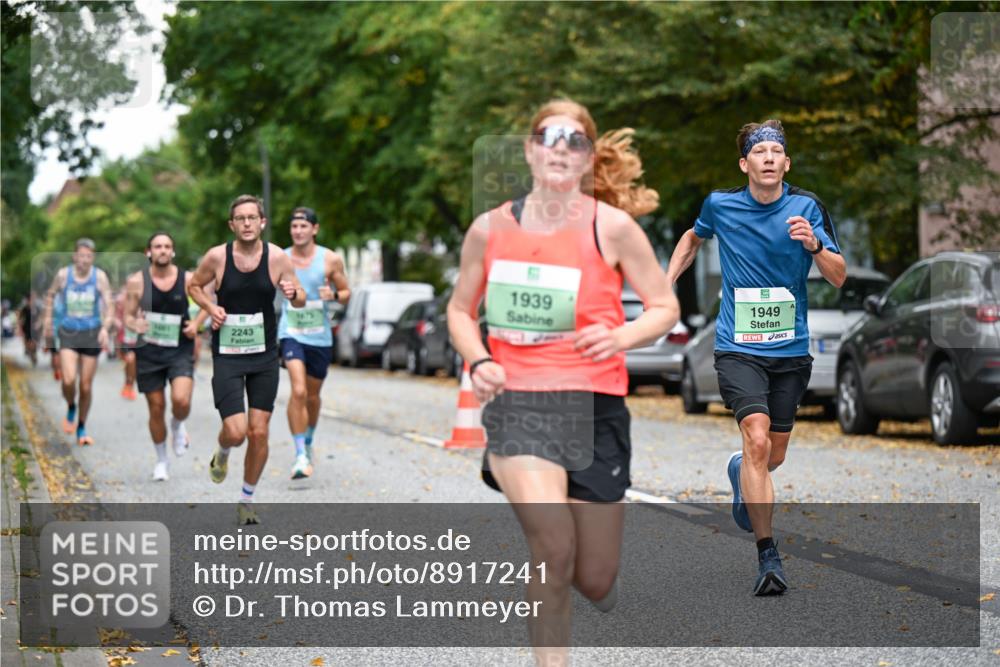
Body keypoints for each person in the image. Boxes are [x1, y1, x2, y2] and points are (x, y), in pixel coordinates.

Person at [447, 99, 679, 662]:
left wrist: (621, 337)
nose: (560, 147)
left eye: (575, 140)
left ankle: (594, 579)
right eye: (549, 137)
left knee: (594, 577)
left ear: (587, 159)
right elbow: (459, 311)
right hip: (519, 405)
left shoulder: (613, 227)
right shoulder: (489, 229)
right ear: (529, 150)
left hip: (595, 405)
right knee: (553, 546)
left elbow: (664, 307)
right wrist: (480, 361)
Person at [665, 119, 846, 596]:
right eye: (759, 151)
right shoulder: (720, 205)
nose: (768, 157)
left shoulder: (807, 207)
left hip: (789, 351)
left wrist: (814, 246)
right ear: (745, 164)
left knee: (772, 455)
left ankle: (738, 472)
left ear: (786, 163)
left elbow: (839, 275)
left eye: (776, 151)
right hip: (738, 347)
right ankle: (769, 556)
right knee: (758, 441)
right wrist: (663, 288)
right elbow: (691, 239)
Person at [189, 194, 306, 525]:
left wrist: (294, 294)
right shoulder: (217, 257)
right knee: (236, 431)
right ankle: (223, 451)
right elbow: (195, 286)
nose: (246, 223)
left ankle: (246, 499)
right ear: (232, 225)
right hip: (227, 355)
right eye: (240, 219)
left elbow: (300, 299)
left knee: (258, 432)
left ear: (262, 222)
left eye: (252, 218)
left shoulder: (278, 258)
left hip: (264, 356)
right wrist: (211, 309)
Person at [124, 232, 209, 481]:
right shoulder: (136, 282)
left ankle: (178, 423)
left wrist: (196, 325)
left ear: (172, 251)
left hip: (179, 350)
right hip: (149, 352)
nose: (162, 250)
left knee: (181, 401)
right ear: (148, 252)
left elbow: (209, 303)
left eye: (167, 246)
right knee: (156, 407)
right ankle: (162, 460)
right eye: (157, 246)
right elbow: (128, 316)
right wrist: (135, 324)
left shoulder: (188, 279)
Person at [277, 207, 351, 479]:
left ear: (315, 229)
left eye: (303, 226)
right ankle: (299, 455)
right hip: (291, 332)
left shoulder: (330, 259)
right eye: (294, 227)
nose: (298, 231)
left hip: (319, 336)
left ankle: (308, 440)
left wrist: (332, 293)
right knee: (297, 391)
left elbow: (346, 293)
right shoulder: (280, 258)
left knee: (311, 396)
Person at [42, 238, 115, 446]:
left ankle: (81, 426)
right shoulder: (64, 275)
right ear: (75, 256)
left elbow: (109, 306)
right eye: (81, 255)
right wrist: (48, 320)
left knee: (85, 385)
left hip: (91, 333)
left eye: (88, 256)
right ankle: (71, 406)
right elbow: (50, 296)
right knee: (68, 379)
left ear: (92, 257)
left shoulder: (99, 277)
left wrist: (105, 327)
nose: (84, 260)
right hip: (68, 332)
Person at [115, 287, 138, 400]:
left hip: (140, 337)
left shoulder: (146, 298)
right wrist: (119, 324)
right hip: (125, 336)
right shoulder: (121, 299)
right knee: (129, 360)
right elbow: (116, 316)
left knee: (133, 361)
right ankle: (128, 383)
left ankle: (130, 385)